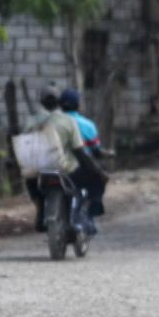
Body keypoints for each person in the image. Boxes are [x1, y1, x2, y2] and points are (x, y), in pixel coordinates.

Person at [21, 92, 88, 232]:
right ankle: (75, 217)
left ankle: (40, 207)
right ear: (59, 103)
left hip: (37, 168)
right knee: (79, 186)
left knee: (30, 179)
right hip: (63, 167)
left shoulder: (31, 121)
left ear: (41, 102)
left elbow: (25, 145)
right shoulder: (68, 121)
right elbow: (78, 149)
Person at [57, 87, 109, 226]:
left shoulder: (53, 124)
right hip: (78, 170)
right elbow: (95, 151)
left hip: (54, 168)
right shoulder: (87, 125)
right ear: (78, 105)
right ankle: (92, 209)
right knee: (99, 178)